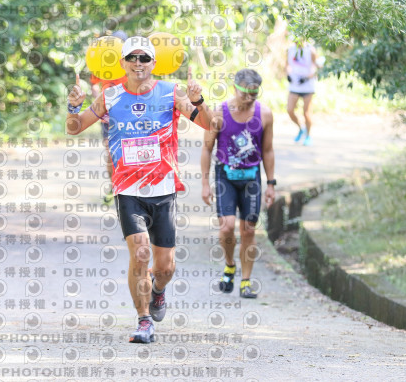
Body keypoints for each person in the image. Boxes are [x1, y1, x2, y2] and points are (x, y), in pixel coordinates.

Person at [66, 36, 213, 343]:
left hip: (163, 188)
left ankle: (158, 290)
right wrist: (72, 107)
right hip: (128, 189)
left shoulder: (171, 92)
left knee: (165, 268)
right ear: (122, 63)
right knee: (141, 253)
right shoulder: (110, 96)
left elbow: (209, 124)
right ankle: (144, 320)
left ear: (153, 63)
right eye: (132, 57)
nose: (138, 63)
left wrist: (198, 101)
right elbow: (75, 127)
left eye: (144, 57)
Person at [201, 68, 275, 299]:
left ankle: (246, 281)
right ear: (235, 89)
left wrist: (271, 183)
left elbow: (268, 150)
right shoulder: (219, 113)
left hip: (251, 177)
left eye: (254, 93)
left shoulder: (265, 114)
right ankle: (230, 265)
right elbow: (207, 148)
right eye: (245, 93)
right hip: (225, 175)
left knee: (249, 230)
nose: (250, 98)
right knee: (226, 227)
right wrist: (205, 183)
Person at [89, 31, 129, 204]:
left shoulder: (131, 63)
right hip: (108, 114)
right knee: (110, 151)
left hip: (128, 113)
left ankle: (129, 186)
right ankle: (114, 187)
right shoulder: (103, 61)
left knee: (129, 150)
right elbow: (94, 85)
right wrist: (100, 102)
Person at [286, 39, 319, 146]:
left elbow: (316, 67)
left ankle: (308, 136)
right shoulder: (290, 50)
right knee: (290, 110)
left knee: (306, 113)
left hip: (307, 86)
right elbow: (287, 65)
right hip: (294, 85)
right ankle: (301, 129)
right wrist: (288, 74)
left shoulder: (310, 50)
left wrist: (307, 77)